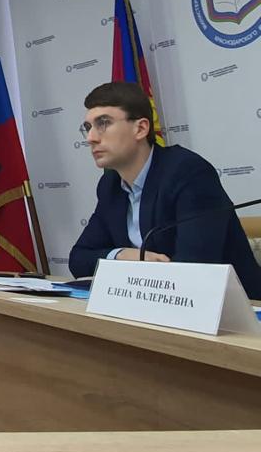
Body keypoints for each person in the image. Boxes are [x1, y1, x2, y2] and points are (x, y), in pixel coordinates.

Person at [69, 81, 261, 299]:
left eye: (103, 123)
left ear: (141, 128)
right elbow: (79, 259)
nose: (91, 138)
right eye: (88, 127)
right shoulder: (110, 185)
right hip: (152, 304)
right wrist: (122, 255)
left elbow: (194, 267)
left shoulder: (188, 172)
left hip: (236, 309)